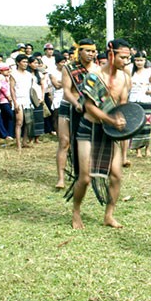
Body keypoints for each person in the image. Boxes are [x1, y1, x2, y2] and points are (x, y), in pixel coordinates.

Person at [69, 39, 131, 229]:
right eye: (123, 57)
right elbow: (89, 106)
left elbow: (122, 105)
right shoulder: (94, 76)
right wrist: (112, 120)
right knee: (85, 178)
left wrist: (122, 120)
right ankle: (76, 212)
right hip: (90, 128)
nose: (126, 61)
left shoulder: (125, 78)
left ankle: (109, 215)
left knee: (116, 175)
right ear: (111, 54)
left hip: (109, 132)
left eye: (128, 57)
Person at [56, 39, 100, 190]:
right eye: (87, 51)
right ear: (79, 51)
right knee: (64, 142)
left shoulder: (97, 69)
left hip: (88, 108)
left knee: (86, 142)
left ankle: (85, 173)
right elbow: (67, 91)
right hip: (69, 106)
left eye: (93, 51)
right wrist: (76, 104)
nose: (91, 54)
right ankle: (61, 178)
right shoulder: (69, 68)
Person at [128, 52, 151, 158]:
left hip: (145, 101)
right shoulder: (130, 72)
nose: (139, 62)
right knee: (136, 126)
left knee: (146, 125)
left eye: (141, 60)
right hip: (133, 101)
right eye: (137, 60)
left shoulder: (149, 72)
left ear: (145, 61)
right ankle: (137, 150)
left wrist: (150, 91)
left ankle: (147, 148)